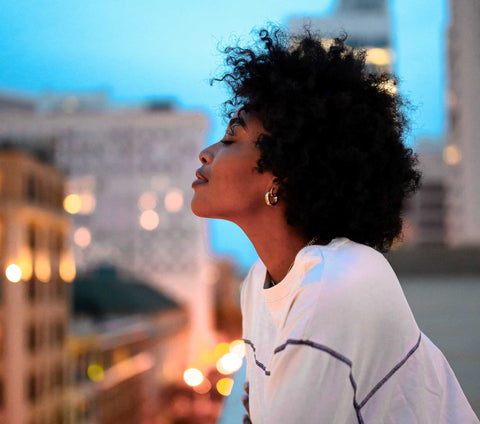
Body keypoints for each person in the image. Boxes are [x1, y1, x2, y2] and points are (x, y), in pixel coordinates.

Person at [191, 26, 479, 424]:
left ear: (282, 173)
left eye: (230, 138)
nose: (206, 154)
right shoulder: (258, 286)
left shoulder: (337, 283)